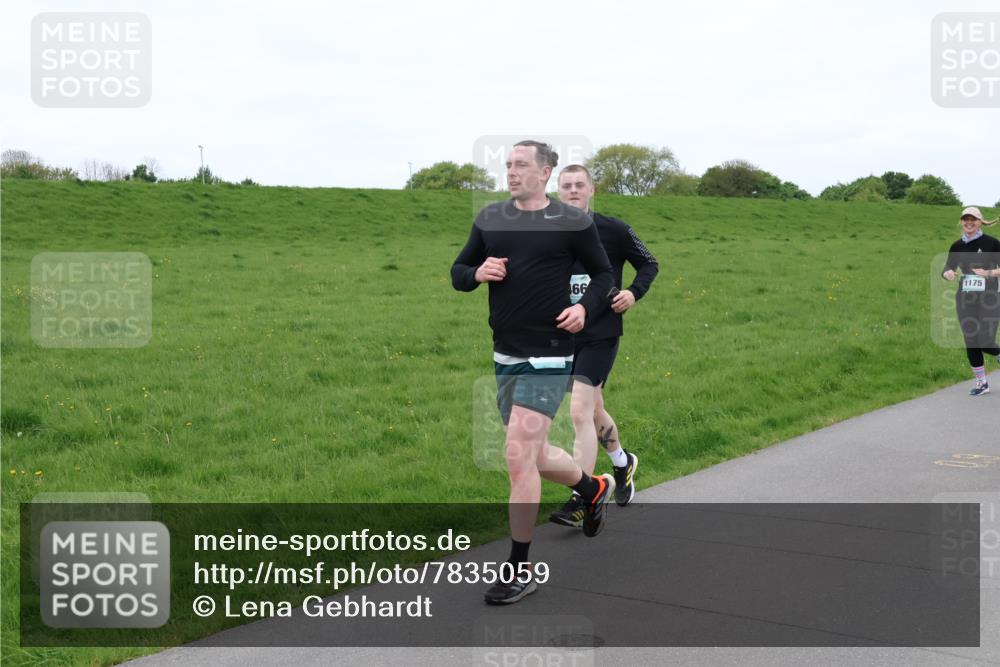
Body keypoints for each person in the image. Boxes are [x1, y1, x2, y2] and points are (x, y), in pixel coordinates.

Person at [451, 140, 617, 604]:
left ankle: (520, 567)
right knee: (537, 454)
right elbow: (458, 271)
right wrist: (477, 272)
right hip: (505, 353)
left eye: (521, 165)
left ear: (545, 173)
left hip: (550, 353)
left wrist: (584, 309)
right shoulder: (491, 219)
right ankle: (593, 487)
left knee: (515, 456)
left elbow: (604, 276)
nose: (511, 172)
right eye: (508, 165)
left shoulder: (573, 223)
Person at [548, 165, 659, 528]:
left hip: (601, 332)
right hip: (563, 336)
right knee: (594, 409)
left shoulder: (614, 229)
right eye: (567, 186)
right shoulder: (546, 231)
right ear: (558, 191)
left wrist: (632, 292)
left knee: (579, 411)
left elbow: (649, 263)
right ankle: (623, 464)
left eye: (580, 185)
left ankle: (583, 495)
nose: (574, 191)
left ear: (592, 190)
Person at [942, 206, 1000, 396]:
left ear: (980, 221)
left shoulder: (992, 243)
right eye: (965, 219)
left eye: (972, 219)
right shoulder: (957, 246)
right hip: (965, 299)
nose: (969, 222)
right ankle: (982, 383)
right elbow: (947, 268)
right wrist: (948, 273)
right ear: (961, 221)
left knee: (985, 340)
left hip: (990, 297)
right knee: (971, 341)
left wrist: (990, 272)